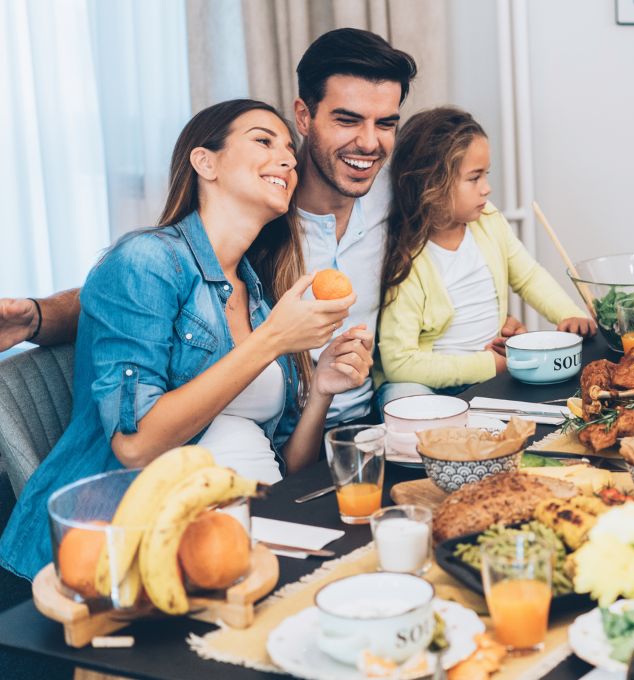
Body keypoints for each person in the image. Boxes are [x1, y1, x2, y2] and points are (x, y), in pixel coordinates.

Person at [0, 100, 374, 580]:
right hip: (146, 543)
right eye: (264, 140)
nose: (288, 158)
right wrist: (273, 341)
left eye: (288, 147)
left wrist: (322, 388)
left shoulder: (257, 294)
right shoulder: (147, 261)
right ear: (205, 162)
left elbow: (289, 463)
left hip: (264, 520)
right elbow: (135, 446)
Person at [0, 28, 444, 425]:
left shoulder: (399, 198)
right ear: (305, 117)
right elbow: (149, 290)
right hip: (280, 434)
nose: (369, 142)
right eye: (347, 120)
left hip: (373, 420)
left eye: (385, 124)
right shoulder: (260, 210)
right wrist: (40, 317)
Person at [375, 107, 595, 403]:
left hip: (491, 372)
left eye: (486, 175)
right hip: (430, 383)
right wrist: (489, 365)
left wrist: (567, 313)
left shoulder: (489, 221)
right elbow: (400, 364)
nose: (487, 189)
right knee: (402, 397)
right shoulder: (408, 260)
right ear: (431, 184)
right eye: (474, 178)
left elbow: (529, 277)